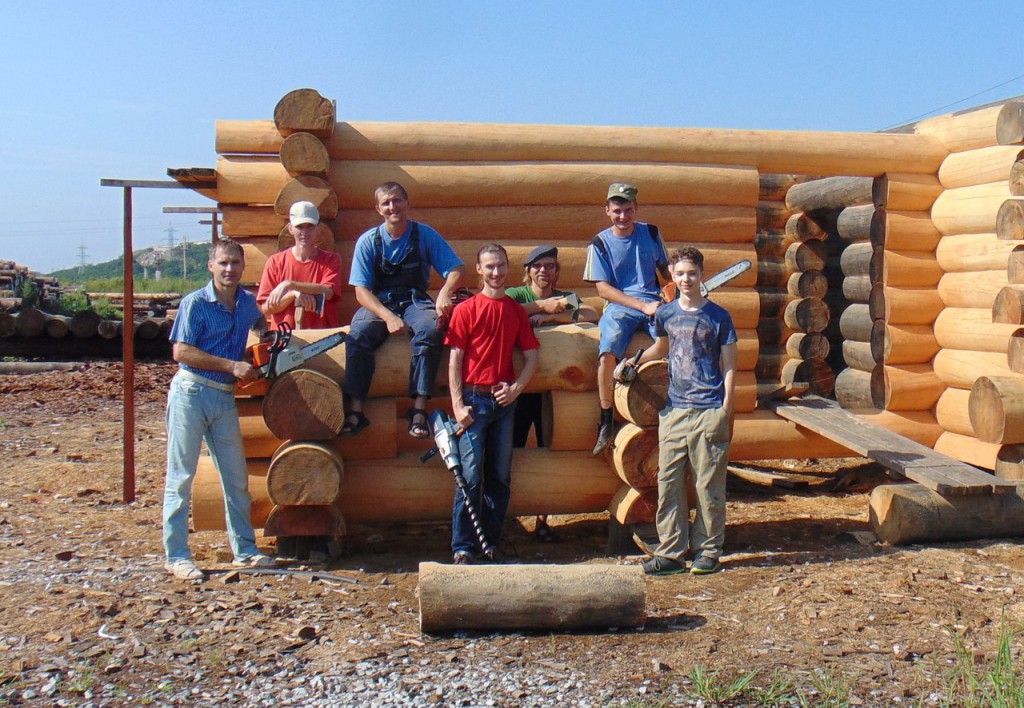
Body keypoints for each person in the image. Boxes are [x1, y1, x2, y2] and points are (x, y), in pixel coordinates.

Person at [616, 246, 737, 576]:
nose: (686, 279)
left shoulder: (718, 317)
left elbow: (729, 365)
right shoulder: (667, 315)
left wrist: (726, 407)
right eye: (680, 273)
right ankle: (670, 553)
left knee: (707, 485)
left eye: (692, 273)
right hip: (674, 411)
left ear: (701, 274)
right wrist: (635, 361)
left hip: (708, 408)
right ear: (672, 276)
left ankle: (708, 551)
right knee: (668, 483)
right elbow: (661, 348)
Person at [163, 238, 276, 581]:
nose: (229, 270)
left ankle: (244, 551)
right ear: (211, 266)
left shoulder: (244, 302)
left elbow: (259, 325)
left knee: (236, 478)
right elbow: (181, 352)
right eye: (223, 263)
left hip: (223, 396)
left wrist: (267, 336)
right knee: (181, 476)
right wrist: (232, 365)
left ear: (243, 268)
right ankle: (177, 555)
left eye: (235, 264)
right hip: (192, 391)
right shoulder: (195, 303)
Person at [344, 182, 464, 438]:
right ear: (378, 209)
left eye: (397, 201)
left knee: (431, 331)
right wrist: (388, 317)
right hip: (379, 302)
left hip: (414, 300)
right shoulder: (368, 241)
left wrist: (444, 292)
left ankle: (419, 409)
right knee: (358, 335)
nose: (392, 207)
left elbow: (455, 270)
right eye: (386, 203)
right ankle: (355, 409)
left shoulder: (424, 234)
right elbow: (361, 292)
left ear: (408, 204)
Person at [445, 244, 540, 564]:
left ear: (507, 268)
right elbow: (454, 360)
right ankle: (463, 546)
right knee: (468, 478)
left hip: (504, 404)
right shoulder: (465, 310)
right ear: (479, 270)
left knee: (499, 477)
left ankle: (489, 543)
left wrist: (516, 389)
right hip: (473, 401)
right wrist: (457, 405)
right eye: (490, 267)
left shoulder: (514, 310)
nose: (496, 272)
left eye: (501, 266)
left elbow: (531, 356)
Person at [506, 244, 599, 541]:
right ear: (528, 270)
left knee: (549, 450)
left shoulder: (564, 299)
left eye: (550, 266)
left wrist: (554, 316)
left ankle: (542, 519)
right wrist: (540, 307)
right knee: (511, 451)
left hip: (554, 390)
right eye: (538, 266)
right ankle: (506, 518)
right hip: (517, 388)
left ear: (557, 272)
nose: (543, 271)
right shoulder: (516, 294)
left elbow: (590, 311)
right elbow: (504, 312)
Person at [583, 183, 669, 455]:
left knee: (676, 341)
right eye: (617, 211)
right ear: (607, 211)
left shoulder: (651, 233)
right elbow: (603, 288)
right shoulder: (600, 243)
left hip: (655, 300)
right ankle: (606, 416)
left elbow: (666, 270)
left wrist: (675, 291)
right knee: (608, 350)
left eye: (628, 210)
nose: (623, 216)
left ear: (636, 209)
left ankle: (677, 406)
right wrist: (641, 306)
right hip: (621, 303)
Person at [256, 201, 343, 330]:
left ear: (318, 228)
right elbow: (266, 308)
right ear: (290, 228)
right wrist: (293, 295)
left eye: (310, 226)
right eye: (300, 226)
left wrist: (289, 284)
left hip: (321, 339)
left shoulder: (331, 260)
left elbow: (328, 292)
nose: (305, 232)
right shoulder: (275, 262)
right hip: (284, 341)